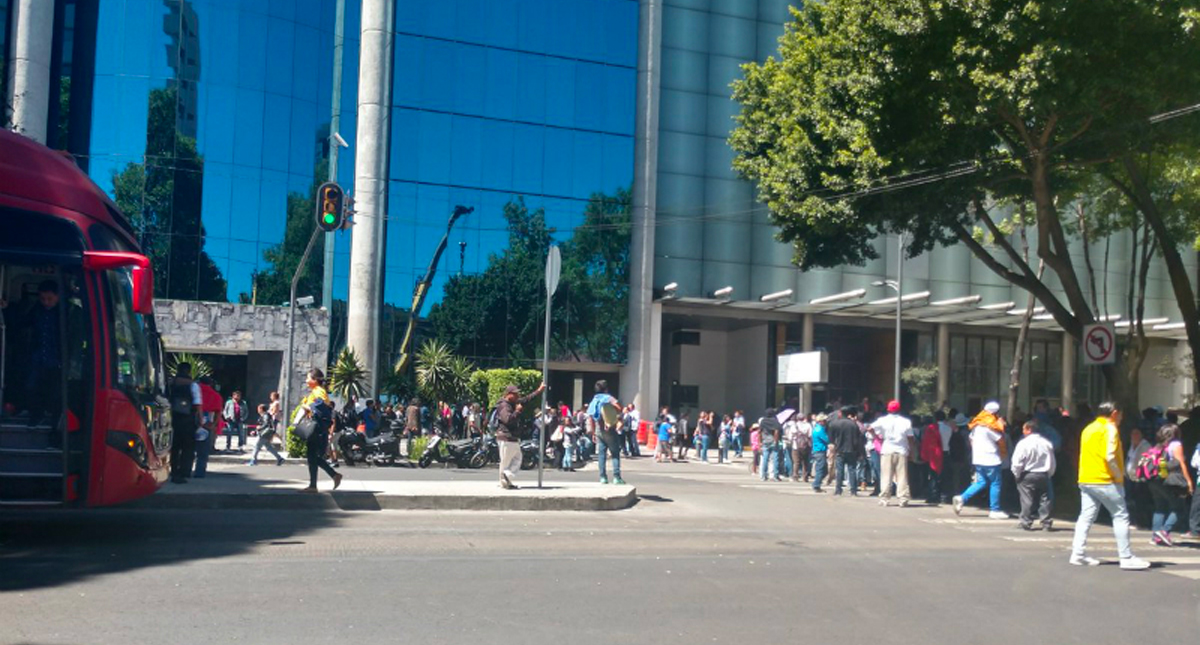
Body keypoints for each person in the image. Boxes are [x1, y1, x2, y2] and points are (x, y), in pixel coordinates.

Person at [1069, 402, 1150, 570]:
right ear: (1114, 413)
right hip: (1105, 479)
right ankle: (1126, 557)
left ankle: (1078, 554)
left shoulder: (1089, 428)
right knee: (1121, 515)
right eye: (1120, 415)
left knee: (1086, 517)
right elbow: (1110, 456)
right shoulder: (1110, 428)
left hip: (1086, 478)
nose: (1121, 418)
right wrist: (1118, 475)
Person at [1, 280, 64, 427]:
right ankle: (36, 415)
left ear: (58, 297)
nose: (46, 302)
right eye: (42, 299)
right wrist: (6, 309)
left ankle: (53, 420)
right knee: (32, 387)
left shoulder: (66, 312)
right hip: (37, 356)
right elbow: (21, 323)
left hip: (56, 358)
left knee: (54, 391)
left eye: (49, 299)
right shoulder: (37, 310)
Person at [952, 401, 1009, 519]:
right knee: (995, 483)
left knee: (981, 482)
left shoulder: (977, 423)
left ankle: (962, 498)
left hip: (978, 458)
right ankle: (995, 509)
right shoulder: (991, 425)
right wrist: (1002, 427)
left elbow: (971, 439)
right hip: (991, 458)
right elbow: (1000, 440)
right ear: (996, 412)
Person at [1147, 423, 1194, 546]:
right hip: (1170, 480)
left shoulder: (1157, 446)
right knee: (1179, 508)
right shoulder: (1176, 445)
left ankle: (1155, 536)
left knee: (1159, 508)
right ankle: (1165, 530)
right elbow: (1181, 463)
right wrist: (1188, 481)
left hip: (1155, 479)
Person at [494, 382, 547, 489]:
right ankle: (507, 476)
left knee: (508, 461)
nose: (518, 396)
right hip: (506, 436)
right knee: (515, 459)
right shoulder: (504, 405)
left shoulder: (512, 403)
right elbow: (508, 420)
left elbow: (526, 399)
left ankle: (505, 482)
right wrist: (518, 411)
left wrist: (538, 391)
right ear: (509, 394)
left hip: (510, 437)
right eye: (515, 394)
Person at [298, 368, 342, 493]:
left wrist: (307, 406)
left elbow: (321, 406)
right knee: (312, 456)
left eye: (308, 378)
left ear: (315, 380)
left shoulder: (319, 391)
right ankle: (322, 481)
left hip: (317, 428)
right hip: (316, 427)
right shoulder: (315, 391)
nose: (306, 380)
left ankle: (320, 482)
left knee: (312, 456)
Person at [1010, 420, 1055, 531]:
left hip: (1027, 474)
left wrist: (1016, 474)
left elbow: (1017, 461)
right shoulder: (1046, 443)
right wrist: (1049, 473)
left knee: (1026, 498)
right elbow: (1052, 461)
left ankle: (1026, 521)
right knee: (1045, 498)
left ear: (1029, 429)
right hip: (1043, 473)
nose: (1023, 432)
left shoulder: (1023, 443)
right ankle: (1046, 522)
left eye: (1024, 429)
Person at [871, 400, 914, 507]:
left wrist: (877, 437)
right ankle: (903, 498)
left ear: (888, 409)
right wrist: (911, 450)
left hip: (887, 450)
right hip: (902, 450)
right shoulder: (906, 421)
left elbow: (869, 428)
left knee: (886, 475)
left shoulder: (882, 420)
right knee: (902, 476)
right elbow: (910, 438)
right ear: (899, 409)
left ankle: (885, 498)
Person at [167, 363, 202, 484]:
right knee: (187, 447)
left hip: (172, 418)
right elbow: (198, 404)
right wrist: (201, 420)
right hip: (188, 420)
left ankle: (174, 471)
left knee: (174, 447)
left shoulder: (171, 383)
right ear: (189, 371)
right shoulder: (193, 385)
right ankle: (184, 471)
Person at [587, 380, 626, 485]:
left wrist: (594, 432)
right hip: (610, 428)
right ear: (606, 389)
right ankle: (616, 477)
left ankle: (603, 477)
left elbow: (591, 417)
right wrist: (616, 414)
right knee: (615, 453)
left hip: (599, 429)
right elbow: (619, 408)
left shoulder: (594, 400)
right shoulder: (608, 398)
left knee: (601, 454)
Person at [194, 376, 224, 478]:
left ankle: (183, 471)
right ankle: (199, 473)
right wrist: (214, 425)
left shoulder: (193, 392)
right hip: (207, 424)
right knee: (202, 452)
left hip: (190, 422)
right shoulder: (215, 395)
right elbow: (218, 412)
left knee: (186, 448)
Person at [829, 407, 863, 495]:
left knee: (839, 470)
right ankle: (853, 490)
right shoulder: (853, 424)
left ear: (840, 414)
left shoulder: (835, 424)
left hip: (840, 449)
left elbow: (831, 438)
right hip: (852, 449)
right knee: (852, 470)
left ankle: (838, 489)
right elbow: (858, 439)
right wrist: (859, 452)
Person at [920, 414, 945, 505]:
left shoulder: (930, 429)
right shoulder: (947, 428)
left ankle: (932, 495)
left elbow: (925, 442)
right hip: (944, 453)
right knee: (943, 476)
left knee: (932, 476)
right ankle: (941, 495)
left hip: (932, 454)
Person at [758, 409, 783, 482]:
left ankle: (763, 476)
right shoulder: (775, 421)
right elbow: (776, 431)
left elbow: (759, 431)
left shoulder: (763, 421)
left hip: (765, 441)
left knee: (765, 459)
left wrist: (760, 442)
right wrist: (776, 440)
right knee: (775, 459)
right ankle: (775, 475)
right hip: (773, 441)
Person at [810, 414, 830, 493]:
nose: (826, 422)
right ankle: (816, 485)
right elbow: (826, 439)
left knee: (824, 469)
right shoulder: (819, 430)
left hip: (820, 450)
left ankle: (817, 483)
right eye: (824, 421)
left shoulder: (819, 428)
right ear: (820, 421)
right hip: (819, 450)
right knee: (821, 469)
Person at [791, 414, 813, 482]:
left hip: (796, 445)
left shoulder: (794, 425)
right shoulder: (808, 425)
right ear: (804, 418)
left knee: (796, 462)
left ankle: (795, 477)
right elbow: (810, 435)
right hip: (805, 445)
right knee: (805, 462)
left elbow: (790, 436)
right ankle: (805, 477)